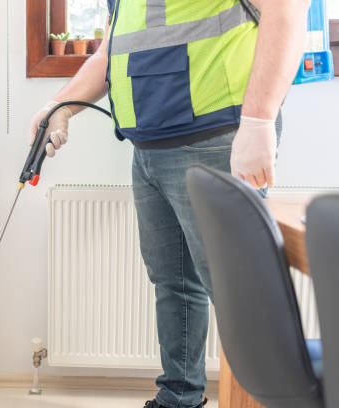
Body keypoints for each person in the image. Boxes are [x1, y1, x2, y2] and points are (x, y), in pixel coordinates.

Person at [29, 1, 311, 407]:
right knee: (173, 282)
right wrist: (58, 107)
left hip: (218, 138)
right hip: (149, 148)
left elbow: (286, 10)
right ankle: (178, 399)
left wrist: (259, 120)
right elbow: (110, 54)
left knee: (238, 290)